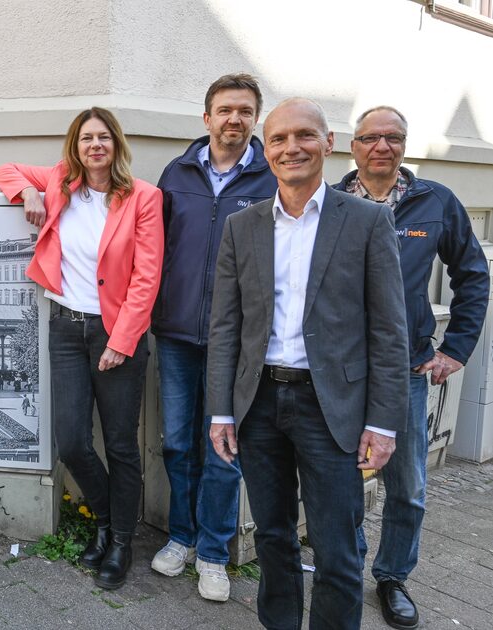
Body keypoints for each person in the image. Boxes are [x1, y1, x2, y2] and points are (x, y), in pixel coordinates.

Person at [206, 98, 409, 629]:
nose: (291, 147)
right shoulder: (242, 226)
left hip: (333, 408)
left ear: (329, 143)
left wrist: (383, 422)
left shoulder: (367, 222)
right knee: (272, 538)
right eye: (278, 139)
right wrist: (221, 412)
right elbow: (226, 327)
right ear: (265, 149)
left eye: (303, 136)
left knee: (337, 549)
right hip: (261, 404)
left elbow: (389, 330)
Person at [0, 107, 164, 590]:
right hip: (65, 328)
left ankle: (121, 541)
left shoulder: (143, 198)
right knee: (70, 440)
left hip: (114, 332)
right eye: (87, 137)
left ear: (117, 145)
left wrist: (123, 340)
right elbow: (4, 170)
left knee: (120, 445)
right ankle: (108, 522)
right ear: (76, 144)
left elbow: (147, 276)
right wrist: (27, 191)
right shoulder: (59, 182)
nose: (95, 145)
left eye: (104, 137)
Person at [334, 106, 489, 630]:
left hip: (404, 369)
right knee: (341, 479)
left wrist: (456, 349)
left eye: (393, 138)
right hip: (341, 371)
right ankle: (348, 565)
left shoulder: (435, 202)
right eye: (371, 138)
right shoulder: (328, 202)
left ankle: (393, 576)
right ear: (352, 146)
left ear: (404, 146)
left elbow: (473, 275)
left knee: (408, 484)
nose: (382, 146)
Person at [150, 73, 277, 601]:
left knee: (224, 448)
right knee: (179, 443)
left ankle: (213, 554)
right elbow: (153, 247)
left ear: (255, 119)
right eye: (225, 110)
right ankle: (181, 537)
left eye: (245, 111)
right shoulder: (176, 173)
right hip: (177, 332)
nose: (234, 119)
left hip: (238, 343)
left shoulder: (272, 181)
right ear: (207, 118)